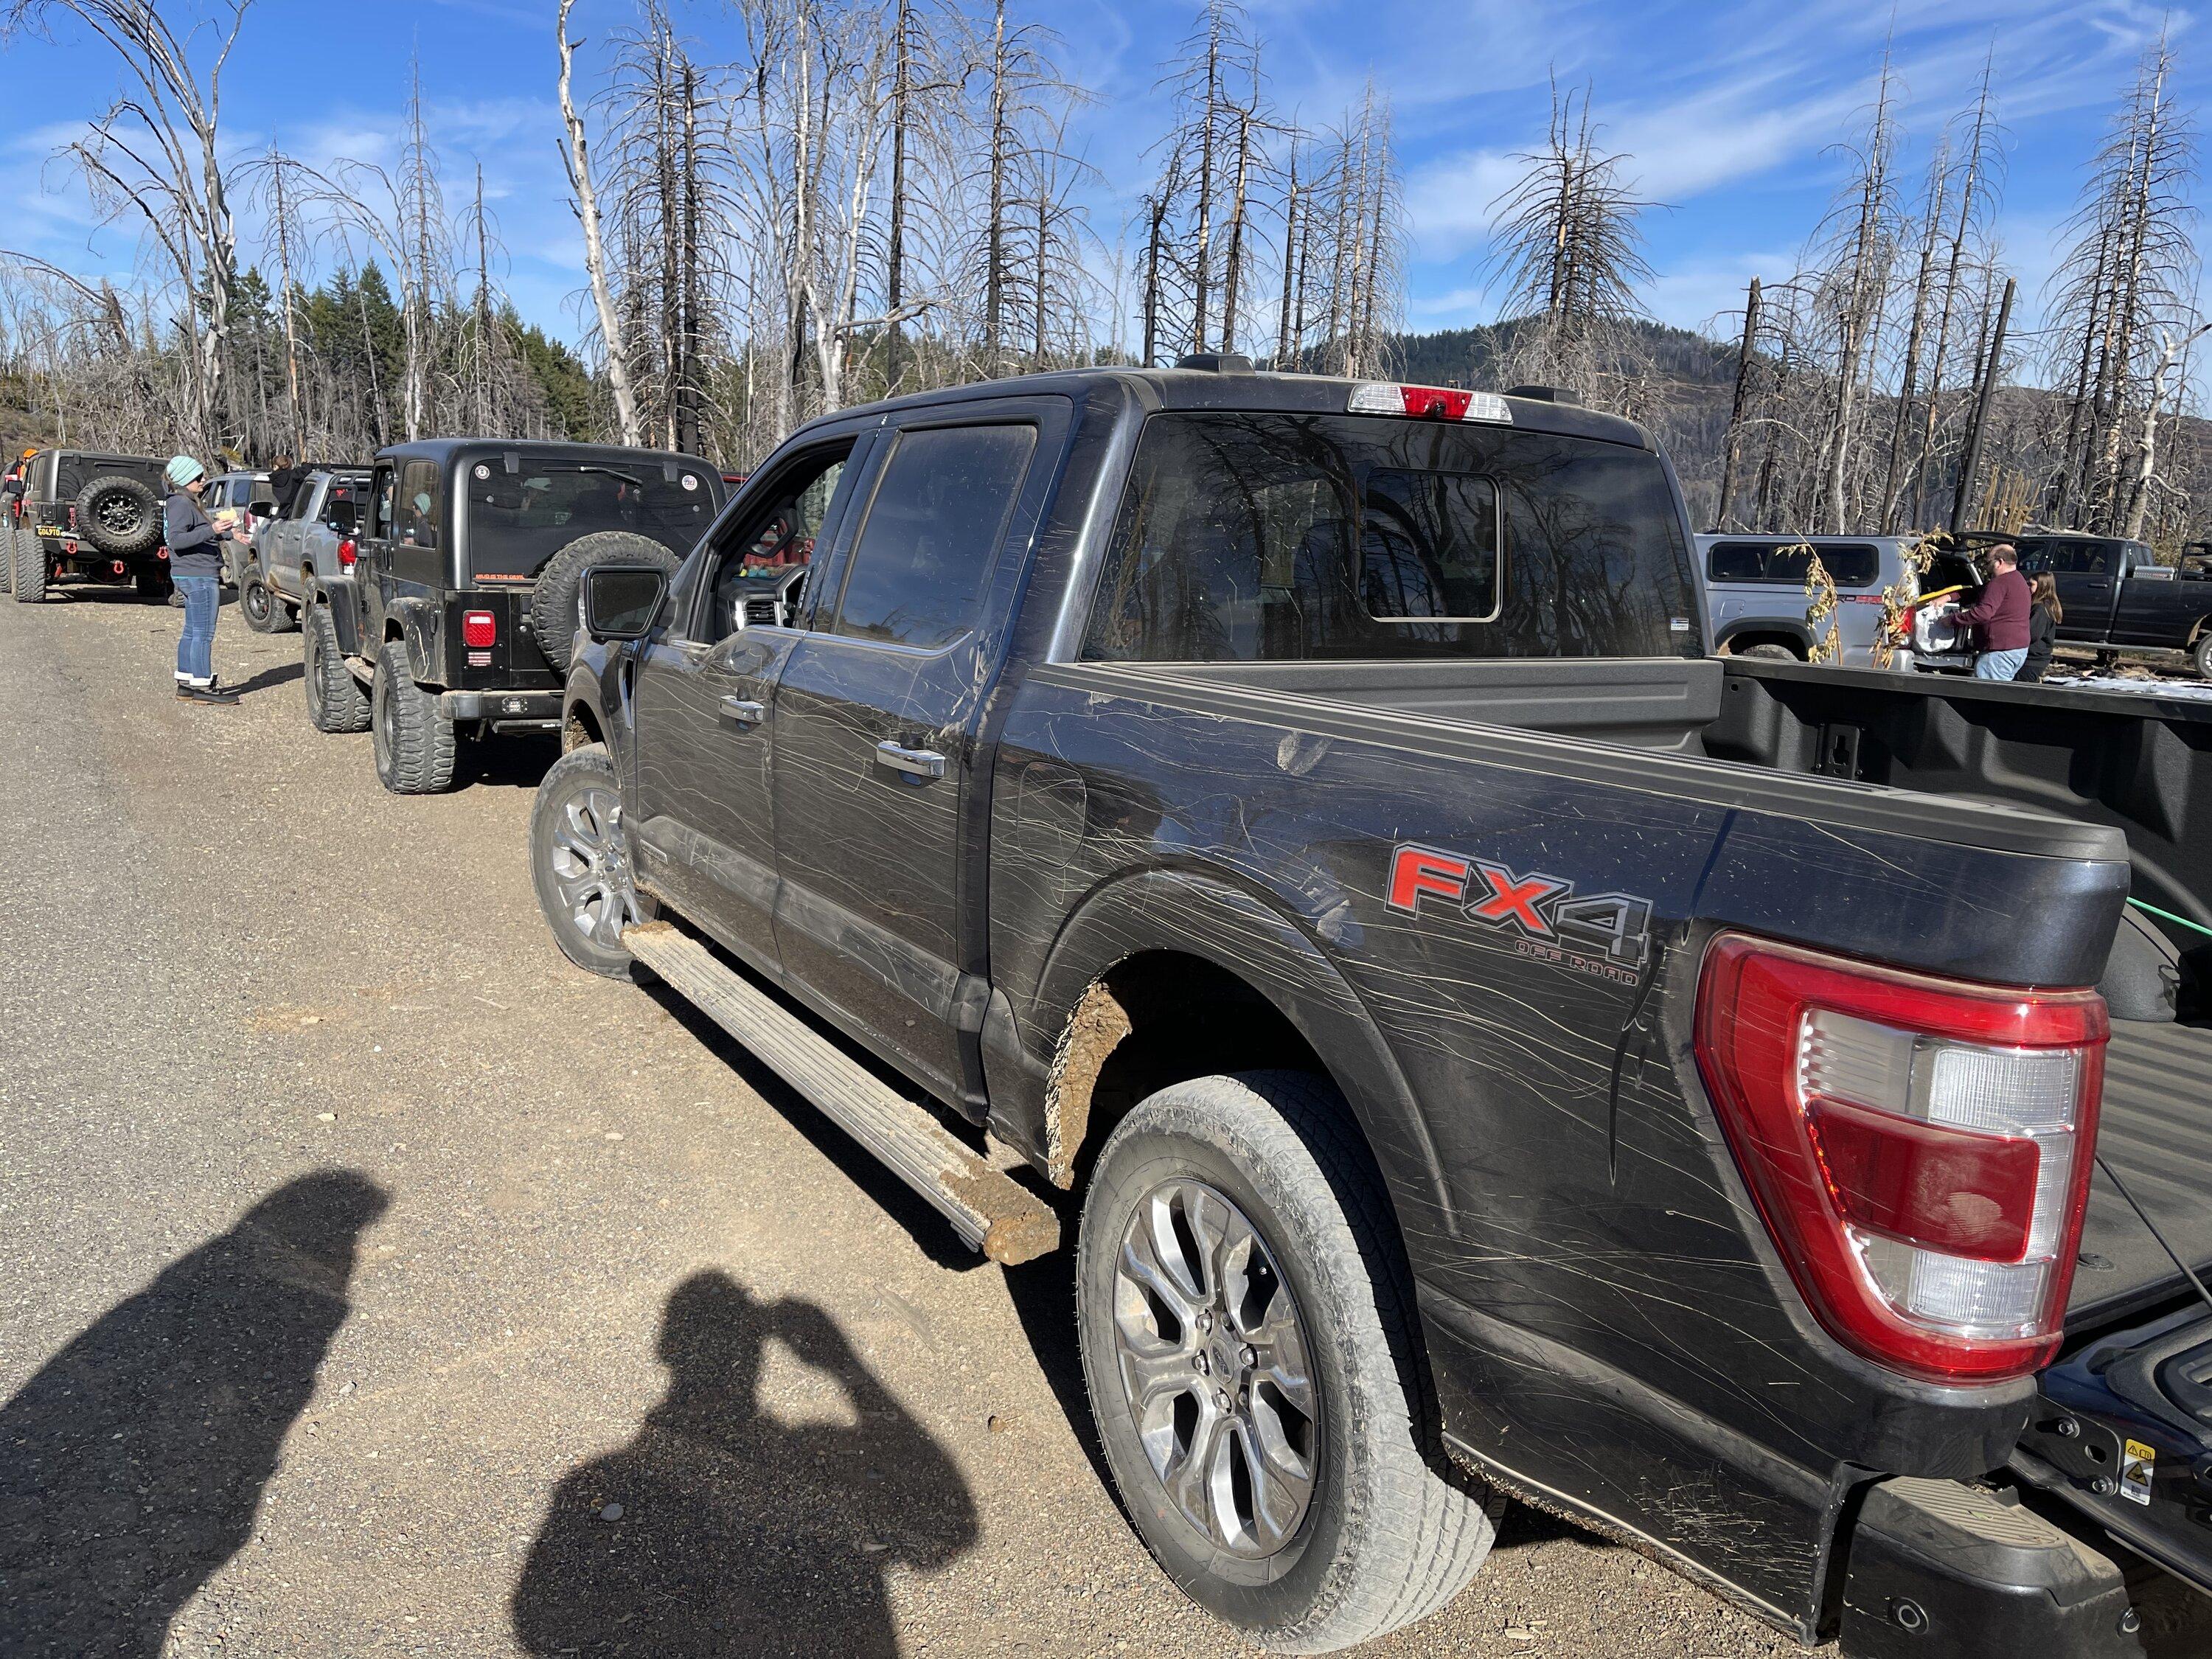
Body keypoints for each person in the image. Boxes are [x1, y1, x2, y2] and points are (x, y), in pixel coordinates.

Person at [163, 455, 251, 704]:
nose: (203, 481)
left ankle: (186, 684)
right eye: (198, 477)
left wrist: (229, 535)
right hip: (198, 575)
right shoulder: (181, 503)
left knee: (192, 630)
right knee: (203, 632)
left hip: (190, 573)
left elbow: (196, 535)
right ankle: (203, 687)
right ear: (183, 479)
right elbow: (178, 540)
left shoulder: (183, 501)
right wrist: (212, 529)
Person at [1952, 540, 2031, 680]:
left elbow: (1984, 613)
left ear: (1999, 562)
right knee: (2000, 693)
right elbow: (1979, 591)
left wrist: (1953, 620)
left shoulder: (2000, 583)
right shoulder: (2018, 580)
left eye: (1988, 563)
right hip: (2017, 649)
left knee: (1987, 696)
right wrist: (1949, 597)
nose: (1986, 567)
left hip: (1998, 652)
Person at [2015, 571, 2062, 683]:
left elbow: (2032, 634)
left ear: (2042, 587)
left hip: (2032, 660)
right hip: (2033, 659)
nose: (2027, 587)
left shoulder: (2040, 609)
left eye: (2031, 585)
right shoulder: (2044, 606)